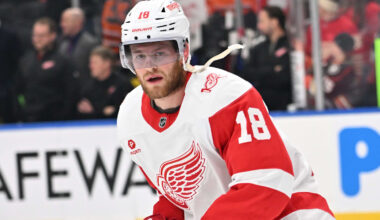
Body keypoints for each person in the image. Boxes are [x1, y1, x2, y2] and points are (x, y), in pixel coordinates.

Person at [117, 0, 335, 219]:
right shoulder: (131, 116)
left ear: (183, 51)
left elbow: (266, 185)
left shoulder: (225, 97)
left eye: (159, 54)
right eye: (139, 56)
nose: (150, 66)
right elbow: (181, 197)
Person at [16, 17, 77, 122]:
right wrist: (21, 112)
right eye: (35, 35)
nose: (37, 39)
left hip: (55, 121)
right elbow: (18, 89)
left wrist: (62, 117)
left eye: (42, 35)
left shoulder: (63, 61)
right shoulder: (25, 60)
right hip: (29, 119)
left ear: (52, 36)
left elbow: (71, 92)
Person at [243, 6, 292, 111]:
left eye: (262, 21)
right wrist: (272, 69)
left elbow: (285, 78)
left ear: (274, 22)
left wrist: (261, 73)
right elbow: (247, 73)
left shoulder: (290, 46)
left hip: (284, 106)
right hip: (260, 106)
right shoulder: (258, 48)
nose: (258, 26)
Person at [77, 46, 133, 119]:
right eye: (90, 63)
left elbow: (126, 111)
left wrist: (95, 111)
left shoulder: (122, 84)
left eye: (94, 62)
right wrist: (102, 111)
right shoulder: (88, 86)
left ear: (107, 63)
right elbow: (81, 111)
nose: (90, 66)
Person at [59, 7, 99, 84]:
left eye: (65, 21)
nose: (62, 25)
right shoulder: (62, 43)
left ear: (78, 22)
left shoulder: (90, 44)